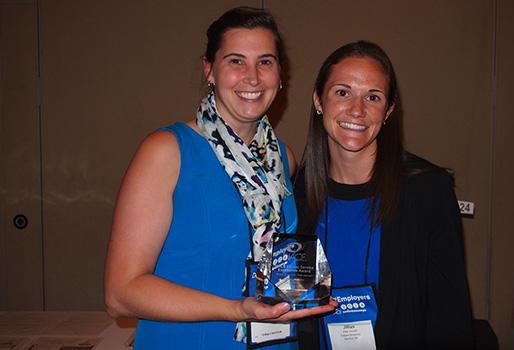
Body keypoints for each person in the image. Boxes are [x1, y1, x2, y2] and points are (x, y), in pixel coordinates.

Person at [103, 7, 335, 350]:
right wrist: (237, 309)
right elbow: (120, 294)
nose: (252, 77)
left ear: (280, 74)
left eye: (265, 62)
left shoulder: (283, 158)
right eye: (236, 61)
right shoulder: (167, 151)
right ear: (209, 70)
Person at [294, 41, 474, 349]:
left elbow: (450, 318)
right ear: (318, 100)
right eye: (342, 92)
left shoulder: (427, 192)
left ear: (389, 110)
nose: (357, 109)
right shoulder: (297, 191)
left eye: (373, 97)